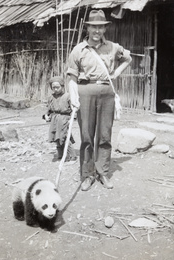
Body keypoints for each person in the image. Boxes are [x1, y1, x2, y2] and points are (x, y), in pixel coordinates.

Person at [67, 10, 132, 191]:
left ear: (105, 29)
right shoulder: (79, 50)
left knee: (105, 134)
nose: (97, 31)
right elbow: (71, 77)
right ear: (87, 28)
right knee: (87, 136)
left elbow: (128, 58)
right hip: (85, 91)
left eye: (101, 27)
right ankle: (87, 174)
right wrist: (73, 97)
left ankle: (102, 171)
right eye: (93, 27)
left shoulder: (112, 47)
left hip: (106, 92)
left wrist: (115, 74)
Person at [43, 76, 76, 162]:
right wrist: (46, 116)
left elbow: (74, 110)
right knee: (56, 137)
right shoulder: (51, 97)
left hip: (65, 119)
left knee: (64, 137)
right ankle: (61, 155)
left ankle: (72, 156)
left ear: (62, 86)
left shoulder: (68, 96)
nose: (56, 89)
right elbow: (48, 110)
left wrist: (72, 118)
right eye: (53, 87)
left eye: (57, 87)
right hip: (55, 120)